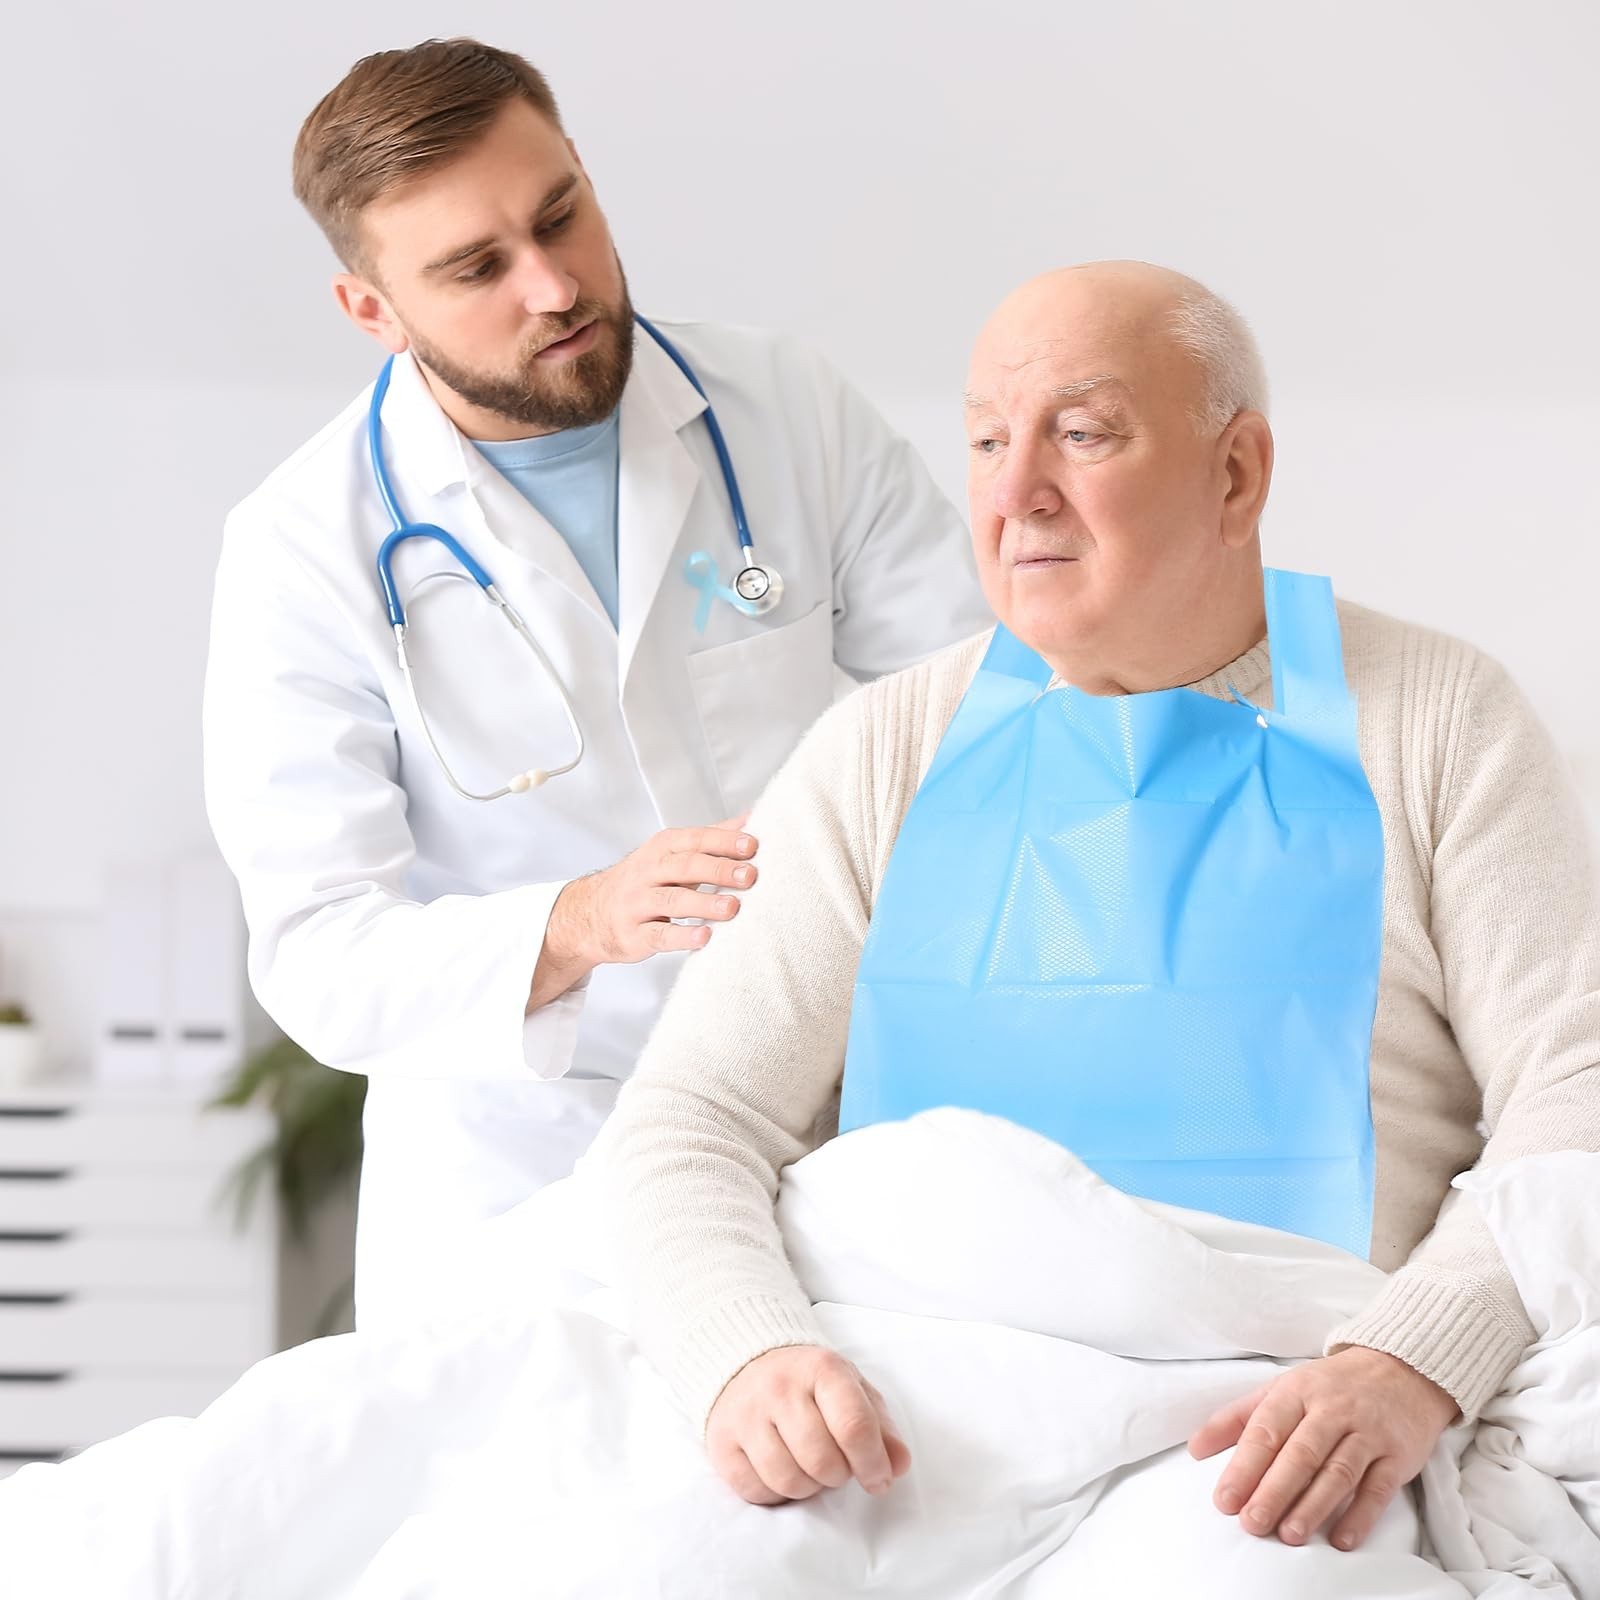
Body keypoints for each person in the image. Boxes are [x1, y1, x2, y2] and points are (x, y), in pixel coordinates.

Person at [600, 261, 1600, 1553]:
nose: (1015, 492)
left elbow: (1575, 1086)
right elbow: (690, 1117)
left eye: (1081, 433)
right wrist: (747, 1355)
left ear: (1235, 473)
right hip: (897, 1400)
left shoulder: (1439, 721)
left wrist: (1409, 1363)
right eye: (985, 440)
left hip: (1261, 1420)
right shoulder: (880, 750)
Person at [201, 38, 987, 1319]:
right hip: (523, 1168)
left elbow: (970, 708)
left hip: (822, 1117)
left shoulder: (784, 408)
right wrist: (579, 923)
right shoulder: (302, 549)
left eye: (560, 213)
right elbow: (319, 953)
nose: (555, 285)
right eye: (477, 268)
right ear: (372, 311)